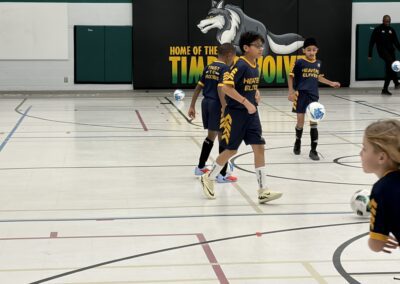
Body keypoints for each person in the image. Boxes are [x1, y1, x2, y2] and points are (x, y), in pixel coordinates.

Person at [199, 31, 282, 203]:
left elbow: (248, 86)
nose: (261, 49)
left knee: (259, 147)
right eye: (257, 46)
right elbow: (226, 88)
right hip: (236, 114)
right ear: (246, 48)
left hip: (251, 114)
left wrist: (256, 93)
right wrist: (245, 101)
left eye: (262, 46)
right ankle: (209, 178)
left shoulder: (255, 65)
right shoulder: (240, 65)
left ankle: (262, 190)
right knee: (231, 149)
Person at [188, 43, 238, 183]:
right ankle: (222, 175)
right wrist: (225, 107)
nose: (234, 59)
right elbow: (220, 88)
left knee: (211, 136)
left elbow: (199, 87)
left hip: (206, 103)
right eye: (234, 56)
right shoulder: (225, 68)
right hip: (217, 104)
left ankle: (200, 167)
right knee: (224, 138)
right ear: (229, 55)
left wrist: (192, 105)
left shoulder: (209, 67)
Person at [287, 37, 340, 161]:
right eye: (309, 50)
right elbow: (290, 77)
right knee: (300, 123)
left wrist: (331, 83)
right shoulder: (299, 62)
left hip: (313, 97)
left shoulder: (318, 63)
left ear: (317, 50)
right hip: (300, 96)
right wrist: (291, 92)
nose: (311, 52)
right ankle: (297, 141)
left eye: (314, 50)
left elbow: (319, 77)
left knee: (314, 124)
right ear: (304, 50)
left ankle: (313, 150)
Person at [360, 119, 400, 253]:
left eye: (365, 148)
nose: (360, 153)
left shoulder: (382, 190)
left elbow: (376, 245)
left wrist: (376, 238)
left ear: (381, 158)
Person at [368, 15, 400, 95]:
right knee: (392, 65)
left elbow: (396, 42)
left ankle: (386, 89)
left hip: (391, 52)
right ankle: (396, 82)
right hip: (382, 51)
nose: (387, 22)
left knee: (390, 68)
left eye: (388, 21)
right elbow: (372, 42)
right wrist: (370, 54)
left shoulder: (391, 30)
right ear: (383, 21)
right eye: (385, 21)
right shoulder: (378, 29)